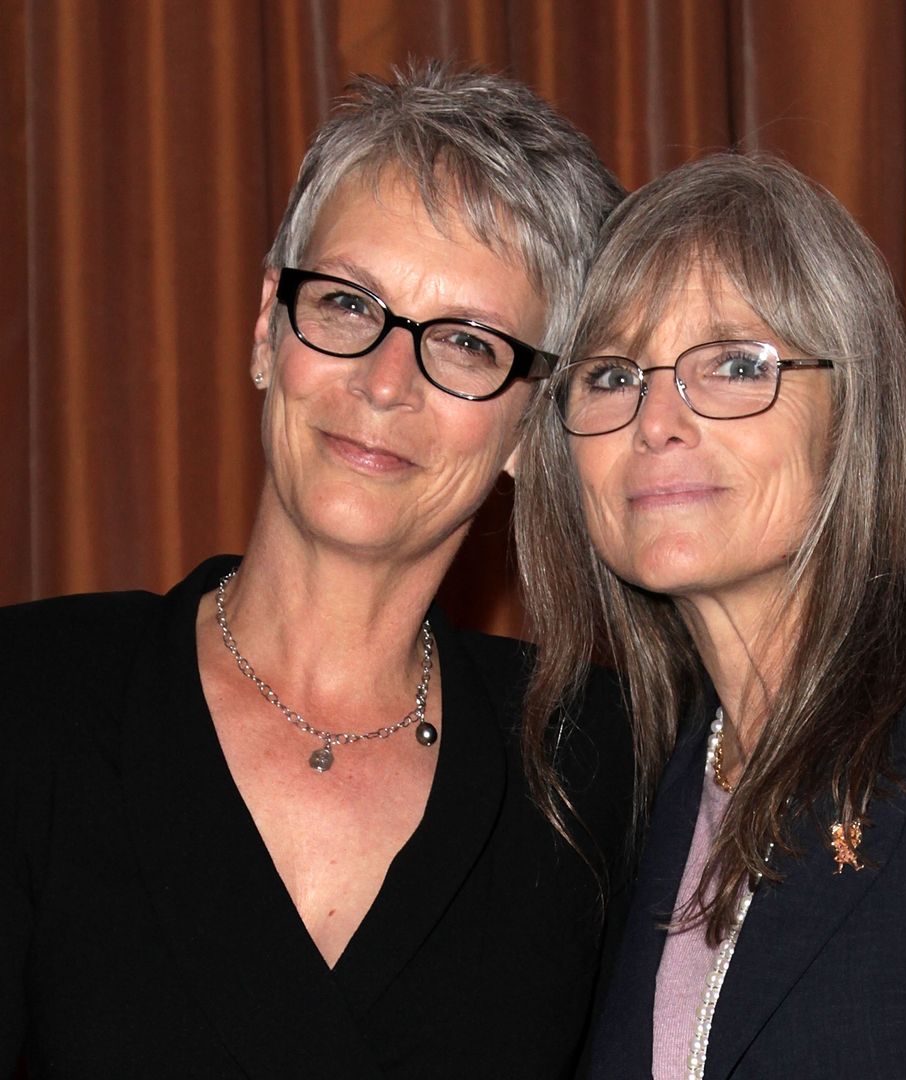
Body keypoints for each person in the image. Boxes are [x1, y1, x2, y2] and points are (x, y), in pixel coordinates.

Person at [0, 63, 632, 1078]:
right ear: (267, 329)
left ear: (530, 424)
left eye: (467, 343)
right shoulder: (29, 698)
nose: (384, 382)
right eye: (346, 305)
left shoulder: (602, 769)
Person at [514, 152, 906, 1079]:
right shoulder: (624, 807)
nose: (656, 418)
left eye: (736, 364)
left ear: (851, 417)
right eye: (613, 375)